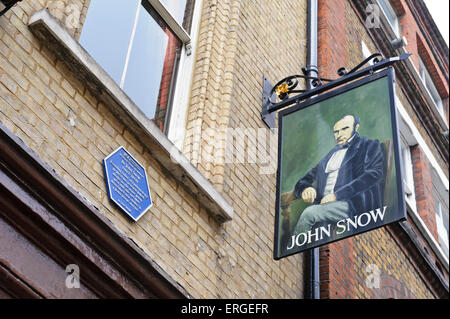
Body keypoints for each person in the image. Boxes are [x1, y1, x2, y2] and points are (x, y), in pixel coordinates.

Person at [282, 114, 385, 236]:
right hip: (323, 207)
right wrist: (305, 189)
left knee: (309, 214)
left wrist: (337, 195)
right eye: (336, 132)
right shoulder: (332, 154)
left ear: (356, 128)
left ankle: (291, 251)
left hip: (353, 205)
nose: (339, 134)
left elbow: (373, 175)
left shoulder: (369, 145)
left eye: (345, 129)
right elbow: (307, 178)